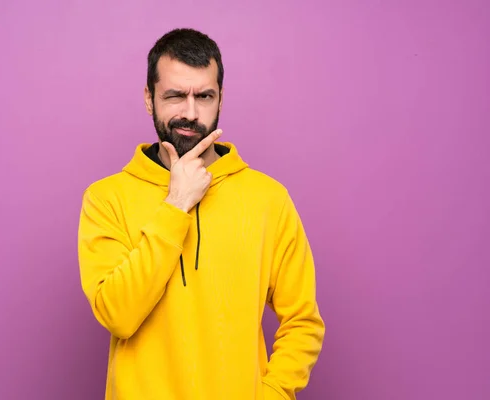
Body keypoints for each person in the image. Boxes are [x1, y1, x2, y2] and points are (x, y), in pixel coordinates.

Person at [77, 28, 325, 400]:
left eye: (204, 96)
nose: (190, 113)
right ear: (149, 98)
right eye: (175, 95)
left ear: (220, 98)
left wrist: (272, 394)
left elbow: (302, 321)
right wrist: (176, 205)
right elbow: (118, 315)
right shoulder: (106, 198)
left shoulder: (268, 198)